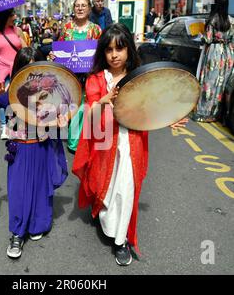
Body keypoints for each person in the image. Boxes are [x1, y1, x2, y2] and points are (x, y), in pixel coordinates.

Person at [72, 23, 188, 266]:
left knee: (126, 188)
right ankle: (102, 214)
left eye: (120, 49)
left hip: (131, 141)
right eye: (109, 50)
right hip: (103, 142)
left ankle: (120, 240)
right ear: (103, 52)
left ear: (129, 50)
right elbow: (89, 116)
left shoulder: (139, 77)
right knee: (103, 183)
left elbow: (151, 107)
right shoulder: (95, 80)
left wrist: (170, 119)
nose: (115, 55)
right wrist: (104, 100)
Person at [0, 47, 68, 259]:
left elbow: (63, 111)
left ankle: (38, 225)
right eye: (26, 71)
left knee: (40, 189)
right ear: (18, 70)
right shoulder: (10, 94)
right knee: (18, 193)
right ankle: (17, 235)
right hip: (20, 151)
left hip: (42, 148)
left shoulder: (49, 93)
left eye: (35, 71)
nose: (31, 77)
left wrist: (62, 120)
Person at [56, 0, 102, 152]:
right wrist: (54, 56)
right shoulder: (67, 28)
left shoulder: (96, 30)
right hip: (70, 76)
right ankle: (74, 140)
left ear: (89, 9)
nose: (80, 8)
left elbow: (101, 52)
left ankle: (81, 140)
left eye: (83, 5)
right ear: (73, 8)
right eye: (77, 5)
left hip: (90, 75)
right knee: (73, 105)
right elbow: (60, 48)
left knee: (85, 106)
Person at [0, 8, 27, 139]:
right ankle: (4, 125)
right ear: (5, 16)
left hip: (17, 66)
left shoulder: (17, 30)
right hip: (1, 66)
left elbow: (26, 48)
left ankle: (16, 124)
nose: (15, 16)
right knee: (1, 94)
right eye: (12, 14)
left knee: (18, 95)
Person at [191, 0, 234, 123]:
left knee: (209, 84)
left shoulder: (212, 20)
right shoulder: (231, 21)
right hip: (228, 55)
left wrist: (200, 34)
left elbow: (208, 39)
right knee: (222, 85)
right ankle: (220, 114)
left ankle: (205, 113)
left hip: (214, 54)